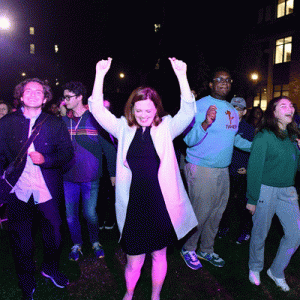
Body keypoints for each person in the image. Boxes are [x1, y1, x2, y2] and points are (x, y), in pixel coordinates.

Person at [89, 57, 198, 300]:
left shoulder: (167, 127)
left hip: (161, 204)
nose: (143, 115)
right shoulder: (122, 129)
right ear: (131, 110)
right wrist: (100, 75)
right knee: (134, 260)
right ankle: (129, 294)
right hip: (133, 206)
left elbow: (189, 110)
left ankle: (155, 295)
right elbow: (96, 109)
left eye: (148, 110)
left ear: (156, 109)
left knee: (159, 255)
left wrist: (182, 75)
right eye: (138, 110)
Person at [0, 78, 74, 299]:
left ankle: (50, 268)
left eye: (38, 91)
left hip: (46, 190)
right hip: (18, 191)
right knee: (22, 242)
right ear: (21, 96)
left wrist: (47, 159)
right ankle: (26, 281)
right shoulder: (7, 122)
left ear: (45, 98)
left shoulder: (54, 123)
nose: (33, 94)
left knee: (55, 237)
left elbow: (67, 154)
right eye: (28, 91)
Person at [181, 69, 252, 270]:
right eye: (219, 79)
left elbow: (234, 138)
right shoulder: (199, 105)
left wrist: (256, 147)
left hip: (223, 169)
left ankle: (207, 249)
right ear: (211, 84)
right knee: (201, 212)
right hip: (202, 167)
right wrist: (205, 123)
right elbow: (187, 139)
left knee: (217, 213)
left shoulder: (230, 108)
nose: (224, 83)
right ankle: (188, 248)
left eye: (228, 80)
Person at [247, 96, 300, 292]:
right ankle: (255, 267)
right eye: (284, 105)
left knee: (295, 234)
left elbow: (297, 167)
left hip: (289, 191)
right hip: (265, 190)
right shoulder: (264, 135)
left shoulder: (294, 136)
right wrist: (252, 199)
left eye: (292, 105)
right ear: (274, 112)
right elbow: (254, 168)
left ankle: (277, 271)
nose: (290, 108)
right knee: (260, 233)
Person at [61, 81, 116, 261]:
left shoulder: (95, 119)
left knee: (90, 213)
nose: (65, 100)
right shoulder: (63, 121)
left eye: (68, 97)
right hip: (68, 176)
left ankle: (94, 241)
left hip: (90, 176)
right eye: (64, 97)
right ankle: (77, 244)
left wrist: (113, 172)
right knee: (70, 217)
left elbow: (109, 147)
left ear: (79, 98)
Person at [218, 97, 255, 244]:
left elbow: (254, 151)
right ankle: (223, 227)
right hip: (226, 170)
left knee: (243, 204)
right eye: (233, 108)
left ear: (244, 112)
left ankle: (245, 232)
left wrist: (247, 168)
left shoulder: (248, 129)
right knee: (224, 203)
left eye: (239, 109)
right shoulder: (224, 126)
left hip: (241, 172)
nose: (236, 111)